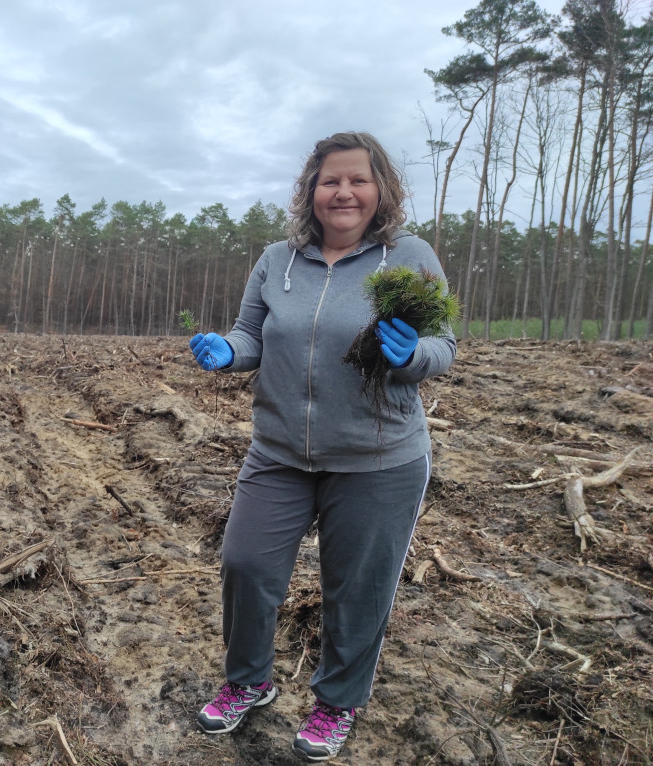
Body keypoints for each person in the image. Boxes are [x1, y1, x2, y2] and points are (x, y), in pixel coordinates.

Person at [188, 131, 456, 762]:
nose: (343, 192)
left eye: (357, 180)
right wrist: (230, 352)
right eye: (330, 180)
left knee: (357, 587)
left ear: (380, 189)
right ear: (310, 189)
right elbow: (251, 333)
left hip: (378, 460)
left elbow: (444, 345)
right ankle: (248, 682)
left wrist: (412, 356)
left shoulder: (409, 256)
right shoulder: (276, 259)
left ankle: (337, 701)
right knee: (246, 565)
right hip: (279, 451)